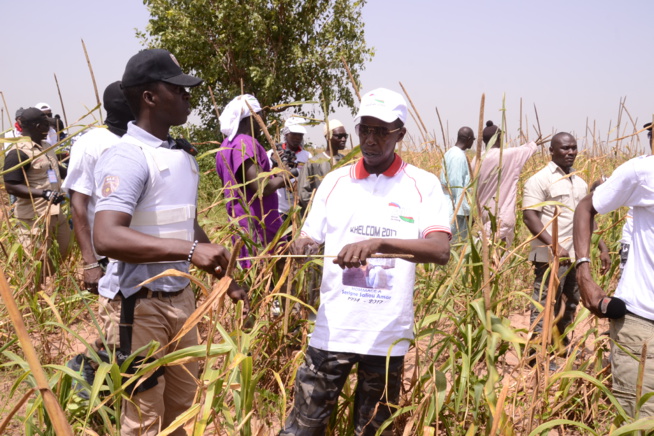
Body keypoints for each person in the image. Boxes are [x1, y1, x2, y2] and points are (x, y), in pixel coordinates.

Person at [93, 48, 247, 436]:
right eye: (177, 90)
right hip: (137, 305)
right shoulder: (128, 158)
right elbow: (107, 235)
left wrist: (223, 272)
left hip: (180, 298)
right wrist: (192, 252)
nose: (187, 97)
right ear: (149, 97)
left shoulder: (180, 156)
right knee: (143, 416)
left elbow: (184, 224)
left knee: (181, 408)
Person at [280, 88, 451, 436]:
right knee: (301, 429)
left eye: (382, 131)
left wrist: (379, 244)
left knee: (373, 431)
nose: (371, 140)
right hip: (333, 330)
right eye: (365, 130)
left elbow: (439, 250)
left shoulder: (423, 185)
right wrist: (299, 248)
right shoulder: (334, 182)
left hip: (385, 337)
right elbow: (312, 238)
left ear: (400, 133)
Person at [573, 152, 654, 417]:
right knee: (641, 421)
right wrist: (584, 274)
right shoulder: (643, 172)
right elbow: (586, 207)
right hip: (644, 325)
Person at [523, 132, 609, 359]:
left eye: (573, 147)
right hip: (551, 257)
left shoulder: (579, 183)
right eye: (565, 148)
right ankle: (536, 355)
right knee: (545, 305)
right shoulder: (539, 180)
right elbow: (530, 217)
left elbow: (586, 219)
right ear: (551, 151)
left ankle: (559, 347)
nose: (571, 152)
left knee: (570, 303)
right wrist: (553, 246)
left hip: (575, 256)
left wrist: (602, 247)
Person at [61, 81, 133, 355]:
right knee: (116, 331)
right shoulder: (92, 143)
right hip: (109, 254)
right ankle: (93, 378)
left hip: (140, 251)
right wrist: (90, 262)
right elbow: (79, 204)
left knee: (135, 332)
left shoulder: (141, 139)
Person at [215, 93, 288, 269]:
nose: (262, 119)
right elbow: (261, 187)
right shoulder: (246, 143)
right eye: (260, 114)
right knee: (274, 277)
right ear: (252, 117)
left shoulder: (225, 146)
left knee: (250, 278)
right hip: (260, 227)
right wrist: (282, 177)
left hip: (241, 227)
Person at [3, 107, 71, 281]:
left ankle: (43, 281)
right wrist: (43, 193)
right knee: (36, 261)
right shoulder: (18, 152)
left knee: (64, 248)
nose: (48, 129)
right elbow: (12, 186)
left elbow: (56, 170)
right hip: (34, 218)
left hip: (56, 213)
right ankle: (33, 293)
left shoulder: (46, 146)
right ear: (36, 125)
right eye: (45, 125)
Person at [476, 120, 540, 247]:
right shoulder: (507, 155)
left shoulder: (477, 159)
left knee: (489, 249)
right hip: (501, 215)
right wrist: (533, 144)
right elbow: (528, 149)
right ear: (499, 137)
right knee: (493, 250)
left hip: (484, 214)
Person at [297, 119, 348, 212]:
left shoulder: (347, 161)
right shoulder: (313, 162)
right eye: (339, 136)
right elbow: (303, 193)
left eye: (345, 136)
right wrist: (320, 210)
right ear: (328, 136)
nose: (343, 139)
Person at [268, 117, 312, 219]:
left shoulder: (307, 156)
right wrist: (275, 165)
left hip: (299, 208)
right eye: (294, 134)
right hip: (279, 209)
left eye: (300, 135)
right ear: (286, 134)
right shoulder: (272, 154)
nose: (297, 137)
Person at [440, 126, 474, 241]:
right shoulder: (458, 156)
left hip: (449, 205)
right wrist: (466, 212)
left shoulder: (450, 152)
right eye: (472, 140)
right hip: (454, 210)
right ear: (468, 139)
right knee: (455, 245)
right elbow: (457, 186)